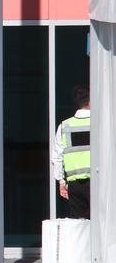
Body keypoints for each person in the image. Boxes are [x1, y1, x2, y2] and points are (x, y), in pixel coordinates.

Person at [52, 86, 91, 219]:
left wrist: (61, 182)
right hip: (98, 182)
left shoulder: (64, 126)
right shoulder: (99, 124)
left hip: (75, 186)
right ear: (90, 102)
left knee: (80, 227)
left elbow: (57, 157)